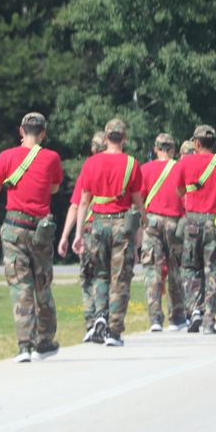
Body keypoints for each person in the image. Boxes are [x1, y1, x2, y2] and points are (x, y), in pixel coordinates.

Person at [0, 112, 63, 362]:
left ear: (21, 131)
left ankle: (23, 346)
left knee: (21, 287)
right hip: (40, 231)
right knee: (42, 286)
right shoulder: (52, 157)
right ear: (43, 133)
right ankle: (45, 341)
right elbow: (53, 188)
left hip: (13, 228)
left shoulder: (6, 157)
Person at [72, 118, 144, 347]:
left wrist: (79, 234)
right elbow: (137, 202)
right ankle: (114, 330)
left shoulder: (91, 164)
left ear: (105, 137)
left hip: (98, 224)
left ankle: (99, 316)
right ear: (124, 138)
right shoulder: (132, 164)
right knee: (121, 278)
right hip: (122, 224)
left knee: (100, 275)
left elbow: (83, 203)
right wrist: (140, 229)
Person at [177, 124, 216, 334]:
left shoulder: (185, 162)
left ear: (196, 143)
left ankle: (195, 309)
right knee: (213, 272)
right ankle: (209, 320)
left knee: (190, 268)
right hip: (215, 221)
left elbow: (179, 190)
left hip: (193, 220)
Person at [58, 131, 107, 341]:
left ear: (92, 149)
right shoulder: (124, 164)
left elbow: (77, 205)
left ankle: (90, 321)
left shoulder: (88, 168)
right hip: (114, 229)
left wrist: (66, 235)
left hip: (89, 230)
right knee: (108, 276)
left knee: (88, 277)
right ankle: (104, 316)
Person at [140, 133, 188, 332]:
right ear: (174, 150)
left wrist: (142, 222)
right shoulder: (180, 168)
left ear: (156, 148)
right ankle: (176, 317)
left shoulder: (145, 168)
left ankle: (155, 319)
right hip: (174, 221)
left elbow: (139, 198)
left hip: (151, 221)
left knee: (152, 269)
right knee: (175, 269)